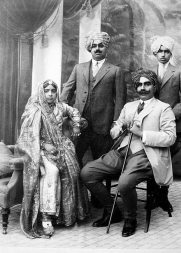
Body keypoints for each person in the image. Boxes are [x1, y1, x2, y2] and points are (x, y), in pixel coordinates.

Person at [81, 68, 176, 237]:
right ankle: (112, 211)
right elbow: (116, 127)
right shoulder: (129, 106)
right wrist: (116, 128)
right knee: (87, 173)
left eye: (147, 84)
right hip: (122, 151)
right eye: (139, 85)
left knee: (124, 183)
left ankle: (130, 218)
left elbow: (170, 138)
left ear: (154, 86)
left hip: (145, 154)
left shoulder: (163, 108)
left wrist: (142, 134)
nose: (142, 88)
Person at [14, 80, 90, 239]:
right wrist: (43, 145)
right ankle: (46, 217)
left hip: (63, 146)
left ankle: (66, 215)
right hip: (39, 150)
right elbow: (27, 136)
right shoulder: (34, 110)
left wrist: (76, 124)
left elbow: (75, 112)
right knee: (52, 172)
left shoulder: (61, 107)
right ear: (42, 92)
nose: (50, 94)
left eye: (53, 91)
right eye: (47, 90)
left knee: (74, 173)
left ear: (56, 93)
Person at [60, 31, 126, 207]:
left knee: (101, 162)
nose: (97, 48)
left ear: (106, 48)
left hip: (103, 125)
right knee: (74, 158)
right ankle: (76, 196)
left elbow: (120, 100)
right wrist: (59, 110)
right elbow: (67, 90)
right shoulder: (79, 68)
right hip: (79, 125)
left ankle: (101, 197)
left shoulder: (115, 71)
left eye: (101, 45)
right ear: (90, 48)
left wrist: (116, 123)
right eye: (94, 45)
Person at [150, 35, 181, 212]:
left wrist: (170, 116)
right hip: (151, 125)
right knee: (151, 160)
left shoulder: (179, 72)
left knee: (166, 161)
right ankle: (152, 197)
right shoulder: (148, 73)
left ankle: (163, 197)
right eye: (160, 51)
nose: (163, 54)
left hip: (172, 124)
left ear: (170, 53)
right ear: (154, 53)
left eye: (166, 51)